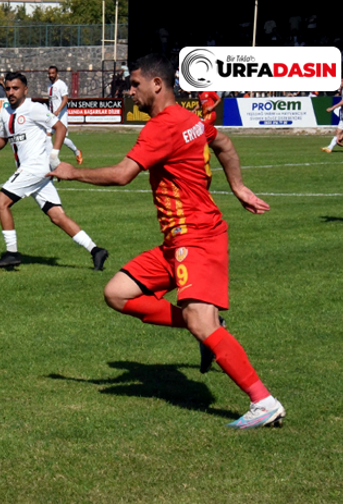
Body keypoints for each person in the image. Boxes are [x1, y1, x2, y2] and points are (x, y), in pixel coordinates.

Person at [51, 54, 284, 429]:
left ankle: (263, 401)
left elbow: (123, 174)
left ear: (157, 84)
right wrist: (237, 186)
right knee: (117, 293)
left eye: (134, 84)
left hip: (197, 236)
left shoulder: (162, 126)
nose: (131, 91)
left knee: (201, 323)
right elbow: (223, 143)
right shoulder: (190, 118)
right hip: (177, 240)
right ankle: (208, 326)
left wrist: (71, 172)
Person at [0, 72, 108, 270]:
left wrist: (54, 156)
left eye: (15, 88)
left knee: (1, 203)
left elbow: (60, 128)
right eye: (8, 88)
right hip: (35, 172)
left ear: (25, 89)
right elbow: (3, 137)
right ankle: (96, 250)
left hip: (35, 167)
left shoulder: (35, 109)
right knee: (57, 216)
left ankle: (11, 253)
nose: (11, 92)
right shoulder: (5, 112)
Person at [47, 66, 83, 165]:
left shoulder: (61, 84)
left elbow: (65, 99)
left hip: (61, 116)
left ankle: (76, 151)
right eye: (49, 73)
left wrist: (58, 111)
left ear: (57, 73)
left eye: (53, 73)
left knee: (61, 139)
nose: (51, 75)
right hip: (52, 116)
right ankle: (51, 159)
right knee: (47, 135)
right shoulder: (49, 86)